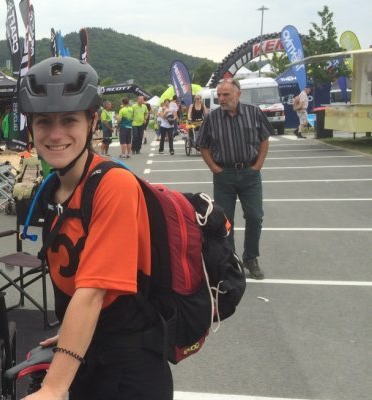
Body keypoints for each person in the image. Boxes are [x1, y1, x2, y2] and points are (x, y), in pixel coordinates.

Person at [18, 56, 172, 400]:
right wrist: (77, 336)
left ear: (92, 121)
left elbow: (93, 293)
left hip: (130, 371)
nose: (55, 135)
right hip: (91, 357)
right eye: (44, 122)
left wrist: (54, 387)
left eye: (69, 120)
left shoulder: (113, 185)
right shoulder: (53, 188)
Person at [197, 78, 271, 280]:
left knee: (255, 216)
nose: (221, 99)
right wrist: (215, 168)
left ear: (238, 94)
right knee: (225, 221)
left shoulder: (253, 112)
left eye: (226, 94)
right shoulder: (212, 118)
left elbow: (264, 139)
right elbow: (202, 145)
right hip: (225, 175)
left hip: (250, 174)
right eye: (219, 95)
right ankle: (230, 261)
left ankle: (251, 258)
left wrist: (257, 166)